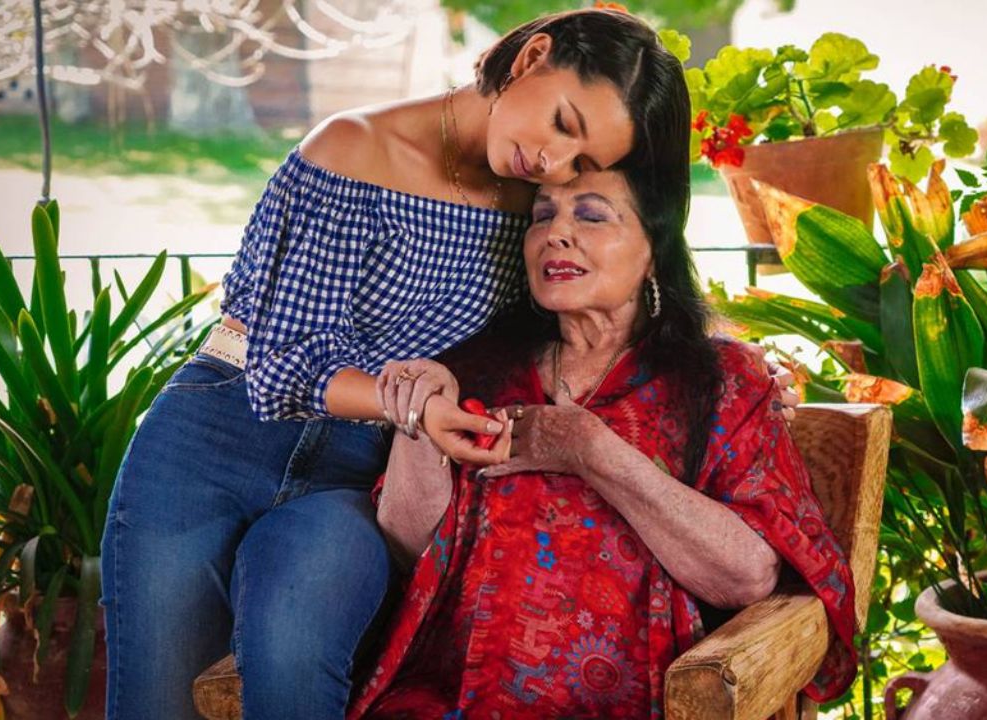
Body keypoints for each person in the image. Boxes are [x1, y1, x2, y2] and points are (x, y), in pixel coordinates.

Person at [99, 10, 703, 719]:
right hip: (217, 434)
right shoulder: (354, 148)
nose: (554, 163)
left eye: (581, 161)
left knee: (297, 661)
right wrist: (412, 403)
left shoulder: (537, 209)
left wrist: (723, 356)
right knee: (157, 702)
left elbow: (619, 276)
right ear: (532, 56)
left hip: (364, 470)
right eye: (563, 124)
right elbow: (280, 367)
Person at [350, 161, 858, 717]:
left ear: (654, 251)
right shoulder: (480, 370)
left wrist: (589, 449)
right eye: (542, 215)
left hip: (630, 702)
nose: (555, 233)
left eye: (591, 216)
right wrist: (419, 417)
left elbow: (748, 575)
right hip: (446, 699)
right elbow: (409, 544)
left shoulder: (721, 381)